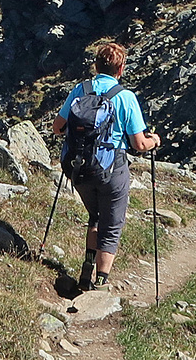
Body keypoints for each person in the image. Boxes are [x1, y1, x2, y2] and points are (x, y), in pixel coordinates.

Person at [53, 42, 159, 292]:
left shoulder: (80, 89)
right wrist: (154, 140)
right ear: (120, 69)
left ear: (96, 65)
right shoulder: (125, 97)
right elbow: (139, 143)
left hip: (78, 169)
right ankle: (99, 283)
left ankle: (86, 271)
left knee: (95, 216)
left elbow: (58, 127)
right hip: (113, 170)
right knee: (111, 225)